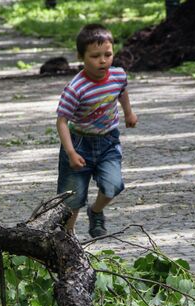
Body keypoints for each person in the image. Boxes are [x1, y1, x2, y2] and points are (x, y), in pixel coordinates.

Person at [55, 24, 138, 238]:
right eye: (95, 56)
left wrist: (128, 113)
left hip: (108, 141)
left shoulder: (118, 76)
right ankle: (68, 236)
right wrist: (71, 152)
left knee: (113, 185)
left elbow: (122, 91)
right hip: (79, 143)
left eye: (108, 54)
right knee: (73, 197)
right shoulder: (76, 88)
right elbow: (62, 121)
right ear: (81, 56)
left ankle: (96, 211)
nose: (103, 60)